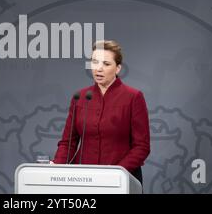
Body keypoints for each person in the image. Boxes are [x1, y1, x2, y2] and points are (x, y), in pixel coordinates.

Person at [53, 40, 150, 185]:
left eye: (106, 64)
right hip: (83, 180)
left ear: (117, 68)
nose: (98, 68)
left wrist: (117, 172)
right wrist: (57, 168)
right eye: (95, 62)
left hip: (121, 180)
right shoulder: (80, 97)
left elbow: (142, 147)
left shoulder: (133, 97)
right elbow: (68, 142)